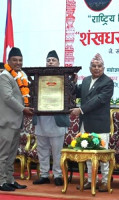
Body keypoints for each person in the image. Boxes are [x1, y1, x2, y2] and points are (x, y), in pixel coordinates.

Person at [70, 53, 114, 192]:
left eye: (99, 66)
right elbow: (76, 93)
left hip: (99, 125)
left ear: (103, 67)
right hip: (86, 124)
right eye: (94, 66)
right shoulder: (87, 80)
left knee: (103, 156)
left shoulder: (107, 82)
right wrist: (72, 82)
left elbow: (99, 100)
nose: (97, 68)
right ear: (90, 68)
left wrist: (81, 109)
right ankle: (90, 180)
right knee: (88, 155)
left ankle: (105, 181)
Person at [32, 50, 70, 186]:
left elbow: (70, 96)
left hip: (57, 121)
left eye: (53, 60)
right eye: (48, 60)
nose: (50, 62)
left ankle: (58, 175)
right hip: (41, 120)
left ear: (59, 63)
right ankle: (43, 175)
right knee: (42, 150)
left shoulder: (64, 78)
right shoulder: (38, 78)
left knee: (57, 151)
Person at [0, 47, 34, 191]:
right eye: (14, 60)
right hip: (6, 122)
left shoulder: (20, 76)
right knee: (3, 154)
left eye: (20, 60)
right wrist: (23, 109)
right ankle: (1, 182)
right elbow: (7, 97)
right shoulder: (5, 76)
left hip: (16, 122)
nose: (18, 63)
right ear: (8, 61)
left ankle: (10, 180)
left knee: (12, 154)